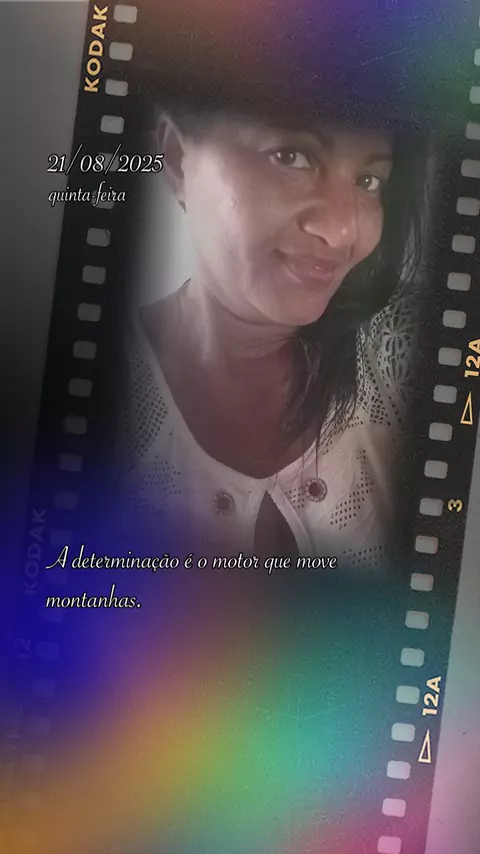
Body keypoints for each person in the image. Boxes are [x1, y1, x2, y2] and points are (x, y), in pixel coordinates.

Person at [119, 104, 428, 566]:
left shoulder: (402, 342)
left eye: (368, 181)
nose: (343, 232)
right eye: (292, 156)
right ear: (178, 158)